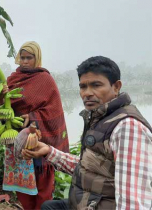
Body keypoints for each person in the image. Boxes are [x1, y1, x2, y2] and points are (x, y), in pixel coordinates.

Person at [22, 56, 152, 209]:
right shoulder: (100, 118)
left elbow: (133, 202)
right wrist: (49, 152)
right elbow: (88, 166)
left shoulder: (128, 128)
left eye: (96, 85)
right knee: (49, 207)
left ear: (116, 87)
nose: (87, 93)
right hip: (87, 202)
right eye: (83, 87)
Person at [1, 41, 69, 209]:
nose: (25, 61)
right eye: (22, 58)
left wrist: (32, 117)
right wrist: (2, 96)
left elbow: (53, 110)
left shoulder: (45, 80)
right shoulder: (12, 79)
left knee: (42, 187)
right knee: (22, 187)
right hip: (18, 140)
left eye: (29, 58)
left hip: (39, 138)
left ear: (37, 58)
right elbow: (5, 107)